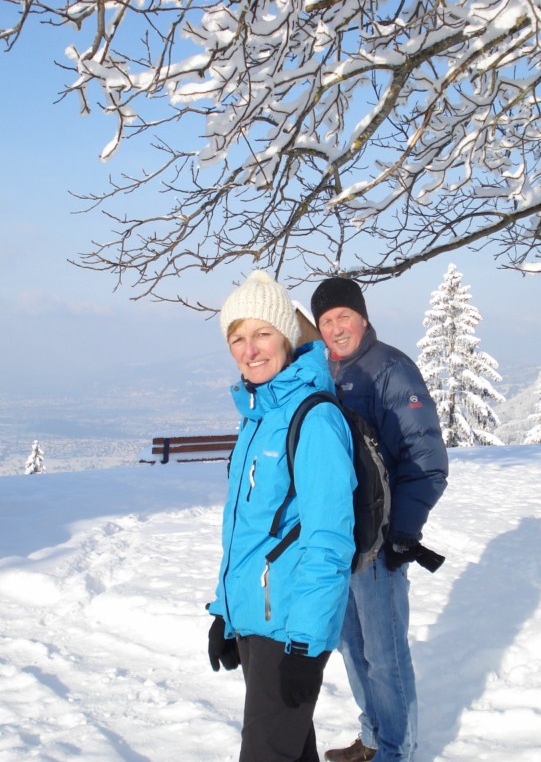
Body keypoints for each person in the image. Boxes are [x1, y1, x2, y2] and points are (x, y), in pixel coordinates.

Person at [207, 270, 358, 762]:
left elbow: (329, 540)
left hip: (290, 627)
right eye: (237, 338)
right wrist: (225, 613)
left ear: (287, 338)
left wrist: (307, 646)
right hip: (257, 619)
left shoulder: (314, 418)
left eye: (262, 334)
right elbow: (248, 531)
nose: (250, 350)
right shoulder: (259, 415)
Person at [311, 277, 449, 762]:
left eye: (344, 316)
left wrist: (403, 532)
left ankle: (396, 752)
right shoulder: (324, 372)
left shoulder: (392, 369)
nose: (336, 327)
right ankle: (372, 739)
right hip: (337, 541)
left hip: (379, 541)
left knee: (385, 657)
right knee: (352, 648)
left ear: (363, 318)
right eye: (327, 320)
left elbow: (427, 460)